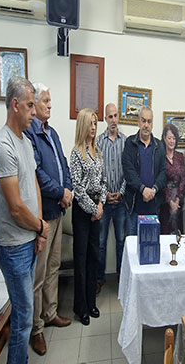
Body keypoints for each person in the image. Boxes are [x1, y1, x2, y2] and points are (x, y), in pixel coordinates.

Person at [0, 76, 49, 363]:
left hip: (29, 238)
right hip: (13, 246)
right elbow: (15, 207)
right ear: (14, 105)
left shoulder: (24, 141)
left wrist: (39, 230)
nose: (34, 112)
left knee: (25, 314)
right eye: (29, 105)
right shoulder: (3, 146)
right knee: (23, 317)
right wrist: (41, 226)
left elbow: (34, 185)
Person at [23, 83, 72, 356]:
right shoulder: (30, 133)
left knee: (53, 267)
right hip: (42, 216)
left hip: (58, 211)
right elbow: (37, 173)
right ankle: (36, 328)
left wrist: (68, 191)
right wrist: (60, 192)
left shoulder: (51, 133)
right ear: (34, 103)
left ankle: (50, 313)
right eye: (45, 101)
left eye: (50, 101)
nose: (50, 105)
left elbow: (63, 164)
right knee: (38, 274)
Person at [69, 108, 107, 326]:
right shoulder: (76, 153)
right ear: (83, 125)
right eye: (90, 123)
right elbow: (77, 188)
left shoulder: (97, 151)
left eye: (95, 123)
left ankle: (92, 303)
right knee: (81, 259)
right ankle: (81, 307)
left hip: (96, 208)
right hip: (82, 212)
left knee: (94, 257)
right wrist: (93, 209)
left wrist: (100, 204)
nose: (94, 127)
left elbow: (103, 182)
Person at [96, 103, 127, 294]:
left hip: (121, 201)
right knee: (101, 242)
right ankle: (99, 279)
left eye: (115, 116)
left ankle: (122, 279)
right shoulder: (99, 142)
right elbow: (97, 172)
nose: (113, 120)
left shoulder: (126, 142)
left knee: (121, 240)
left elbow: (129, 170)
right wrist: (105, 193)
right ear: (105, 119)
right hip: (104, 201)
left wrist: (121, 192)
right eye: (110, 116)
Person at [122, 107, 167, 236]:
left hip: (153, 208)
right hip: (134, 208)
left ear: (152, 124)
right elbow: (128, 171)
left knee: (150, 244)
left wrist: (153, 189)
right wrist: (142, 189)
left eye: (149, 121)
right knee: (131, 244)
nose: (146, 125)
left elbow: (163, 172)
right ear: (138, 122)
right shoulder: (130, 143)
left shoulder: (159, 146)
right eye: (143, 121)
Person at [159, 123, 185, 234]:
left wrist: (177, 199)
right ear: (164, 138)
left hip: (178, 203)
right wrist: (170, 202)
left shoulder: (180, 156)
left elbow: (183, 179)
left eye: (174, 138)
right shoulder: (160, 157)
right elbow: (161, 181)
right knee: (165, 234)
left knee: (178, 234)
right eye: (169, 138)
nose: (172, 141)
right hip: (164, 204)